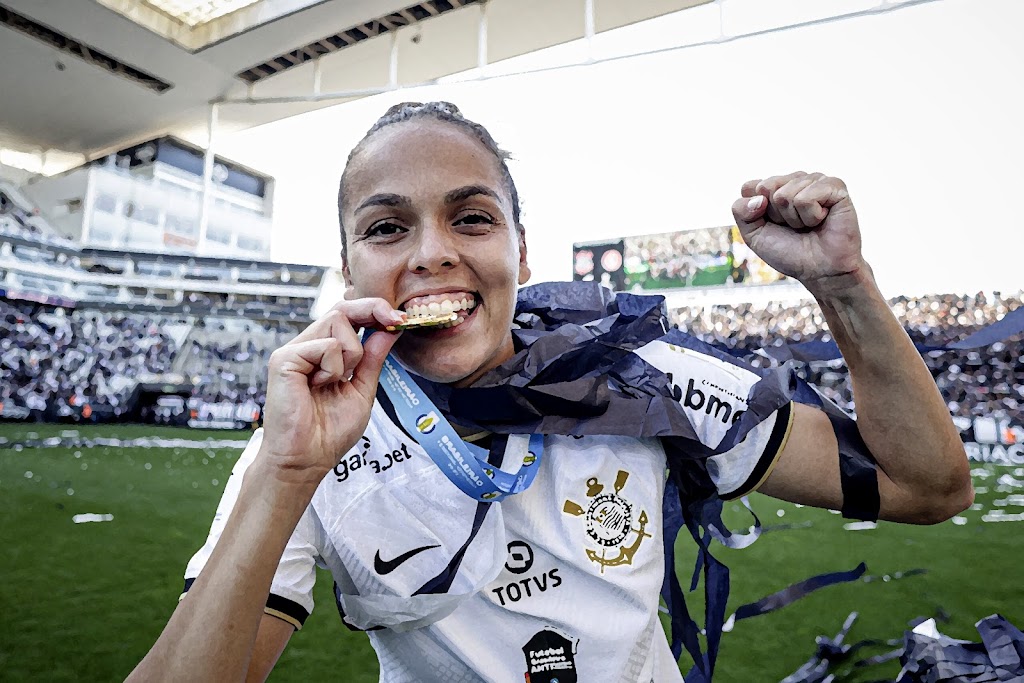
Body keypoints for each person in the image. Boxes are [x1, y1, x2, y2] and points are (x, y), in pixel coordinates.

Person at [127, 102, 972, 682]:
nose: (431, 253)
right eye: (386, 227)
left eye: (472, 217)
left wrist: (843, 284)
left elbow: (926, 486)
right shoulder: (303, 442)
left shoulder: (639, 373)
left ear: (522, 254)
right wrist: (284, 475)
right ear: (348, 270)